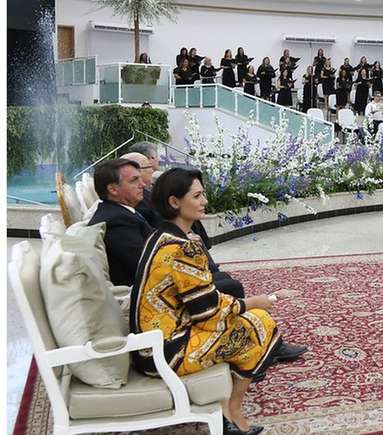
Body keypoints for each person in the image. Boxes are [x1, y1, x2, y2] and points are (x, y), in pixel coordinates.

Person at [132, 168, 307, 435]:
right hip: (165, 353)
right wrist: (255, 302)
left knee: (253, 321)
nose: (205, 202)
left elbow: (202, 299)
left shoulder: (162, 237)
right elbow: (208, 312)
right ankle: (231, 413)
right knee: (259, 325)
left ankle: (227, 414)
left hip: (156, 342)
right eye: (197, 196)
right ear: (174, 202)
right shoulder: (182, 247)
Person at [87, 159, 151, 286]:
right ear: (113, 189)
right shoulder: (117, 222)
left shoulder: (120, 212)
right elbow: (145, 264)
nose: (142, 184)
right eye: (134, 180)